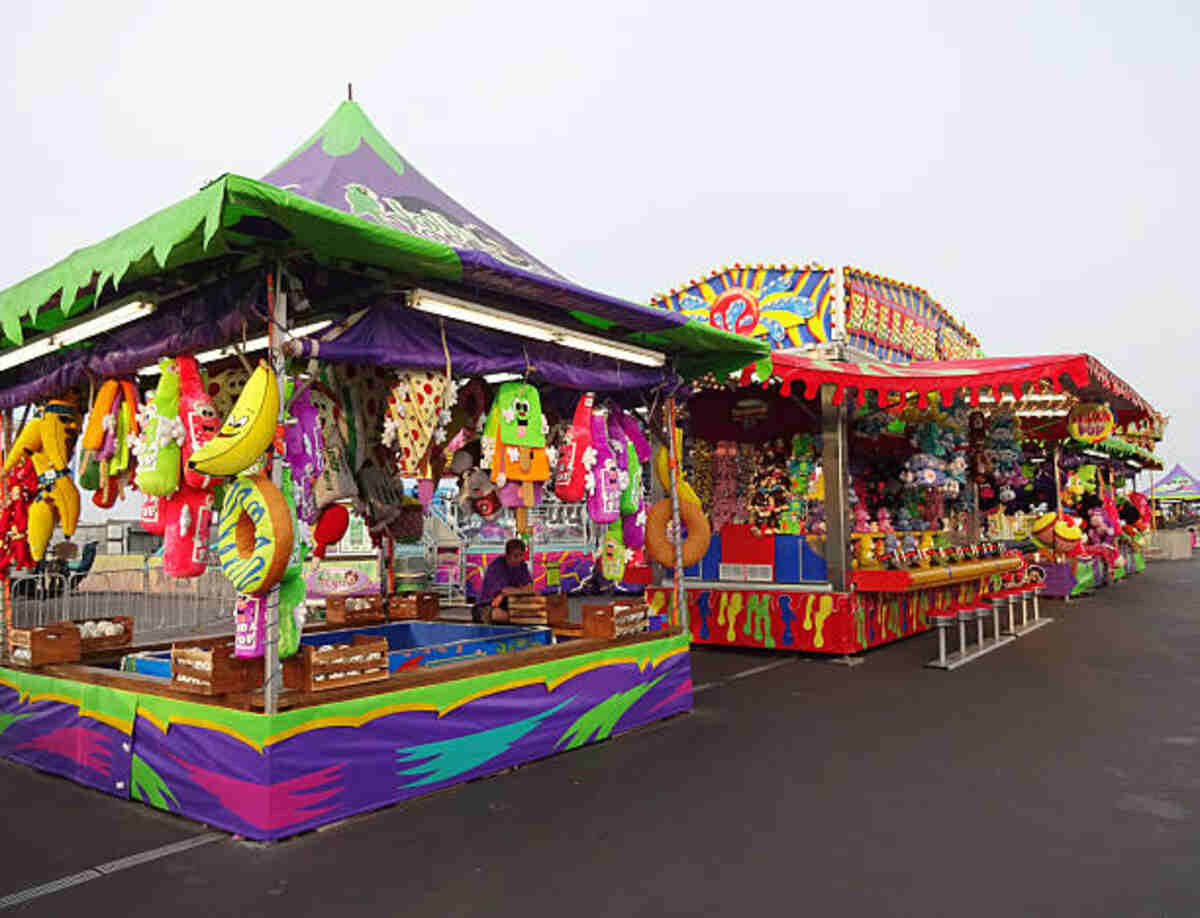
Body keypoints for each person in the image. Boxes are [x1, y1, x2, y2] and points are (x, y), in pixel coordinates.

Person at [474, 538, 534, 623]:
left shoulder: (522, 566)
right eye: (516, 556)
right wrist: (521, 590)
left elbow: (530, 589)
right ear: (507, 556)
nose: (519, 559)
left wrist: (507, 593)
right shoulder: (497, 566)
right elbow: (504, 591)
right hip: (485, 606)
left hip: (509, 605)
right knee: (497, 615)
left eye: (521, 555)